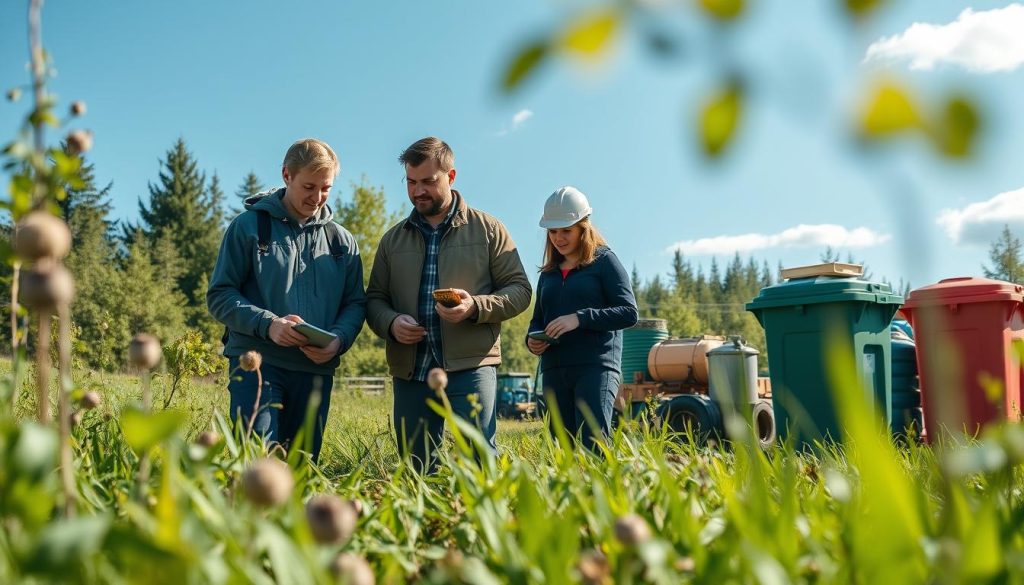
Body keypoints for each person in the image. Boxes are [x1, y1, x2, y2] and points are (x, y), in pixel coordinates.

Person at [366, 136, 531, 471]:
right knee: (416, 467)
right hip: (411, 371)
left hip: (471, 367)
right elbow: (374, 300)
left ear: (451, 177)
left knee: (479, 461)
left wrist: (476, 307)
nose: (417, 191)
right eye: (411, 182)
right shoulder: (391, 239)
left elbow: (519, 290)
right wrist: (391, 323)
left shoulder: (488, 229)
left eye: (428, 181)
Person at [207, 138, 366, 462]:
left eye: (326, 188)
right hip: (257, 366)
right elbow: (220, 295)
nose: (317, 197)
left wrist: (339, 341)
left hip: (316, 372)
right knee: (256, 464)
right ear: (286, 175)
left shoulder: (342, 241)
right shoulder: (248, 227)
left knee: (301, 468)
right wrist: (268, 325)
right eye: (309, 186)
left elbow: (356, 303)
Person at [526, 186, 638, 449]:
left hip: (595, 368)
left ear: (583, 227)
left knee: (594, 446)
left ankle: (604, 490)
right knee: (561, 450)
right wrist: (532, 340)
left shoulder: (605, 261)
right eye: (553, 231)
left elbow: (629, 312)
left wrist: (580, 318)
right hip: (554, 371)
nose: (558, 238)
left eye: (566, 230)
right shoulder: (549, 274)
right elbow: (537, 320)